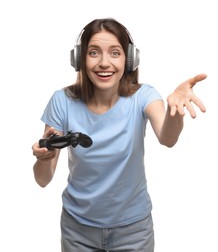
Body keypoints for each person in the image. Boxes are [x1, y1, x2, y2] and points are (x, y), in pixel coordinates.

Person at [32, 18, 207, 252]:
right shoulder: (62, 101)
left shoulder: (143, 96)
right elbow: (43, 180)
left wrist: (175, 112)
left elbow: (167, 138)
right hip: (78, 230)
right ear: (79, 58)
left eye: (115, 53)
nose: (104, 63)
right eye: (94, 52)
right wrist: (43, 159)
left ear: (130, 59)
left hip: (133, 230)